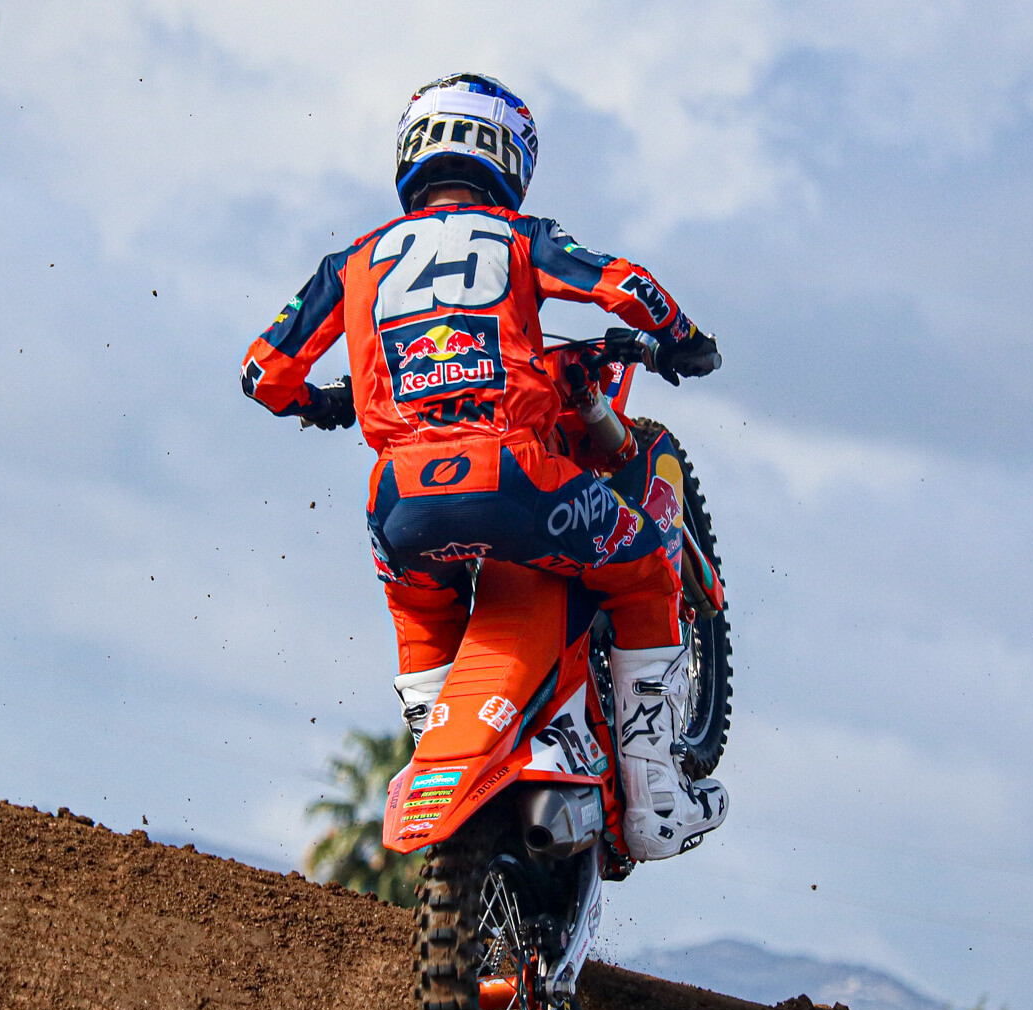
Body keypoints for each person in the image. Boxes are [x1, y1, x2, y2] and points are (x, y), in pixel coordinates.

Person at [240, 73, 726, 862]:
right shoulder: (520, 236)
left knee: (425, 620)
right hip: (518, 481)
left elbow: (263, 374)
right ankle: (655, 800)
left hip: (398, 504)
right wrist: (683, 335)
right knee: (645, 567)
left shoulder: (352, 262)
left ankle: (441, 760)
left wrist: (323, 403)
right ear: (508, 154)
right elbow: (621, 284)